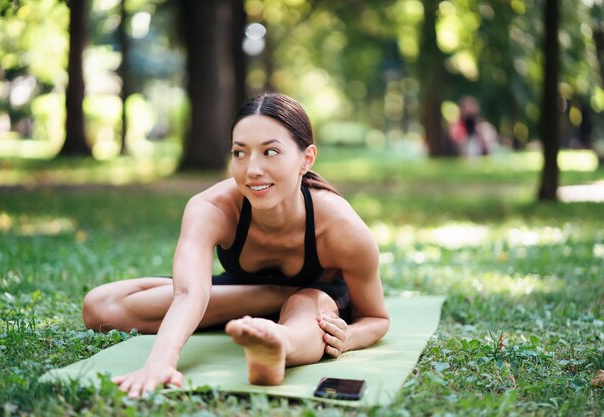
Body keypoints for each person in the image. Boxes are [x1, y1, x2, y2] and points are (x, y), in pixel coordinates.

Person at [82, 92, 390, 398]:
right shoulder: (211, 207)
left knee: (305, 306)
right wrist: (161, 362)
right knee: (101, 306)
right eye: (240, 153)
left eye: (270, 152)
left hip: (315, 300)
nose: (252, 169)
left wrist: (348, 336)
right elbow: (190, 293)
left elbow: (376, 318)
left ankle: (275, 344)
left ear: (306, 159)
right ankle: (272, 303)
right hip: (243, 294)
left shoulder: (340, 227)